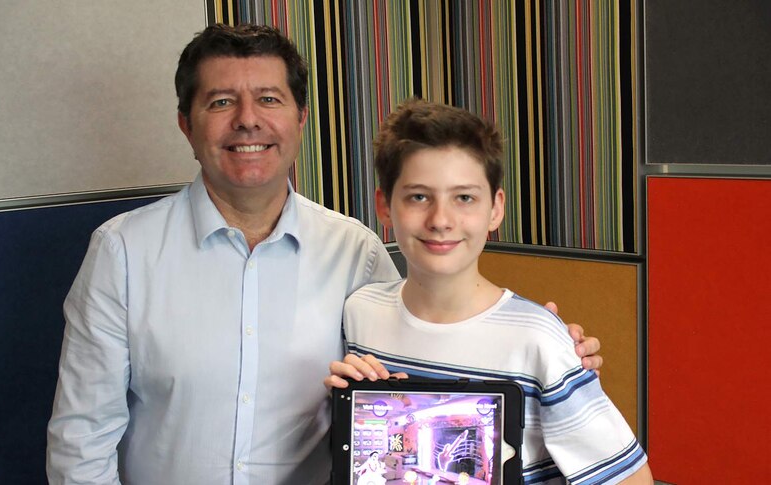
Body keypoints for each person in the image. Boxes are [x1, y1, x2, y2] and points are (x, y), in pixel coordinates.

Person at [46, 24, 602, 484]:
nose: (248, 119)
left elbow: (422, 353)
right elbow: (82, 439)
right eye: (221, 102)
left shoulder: (354, 249)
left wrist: (543, 348)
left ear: (300, 120)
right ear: (186, 125)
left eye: (269, 99)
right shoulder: (122, 252)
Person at [325, 100, 653, 484]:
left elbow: (630, 478)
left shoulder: (538, 338)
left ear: (495, 209)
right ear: (385, 206)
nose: (441, 220)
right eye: (418, 197)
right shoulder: (359, 312)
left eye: (464, 197)